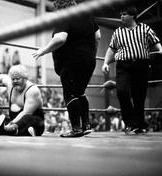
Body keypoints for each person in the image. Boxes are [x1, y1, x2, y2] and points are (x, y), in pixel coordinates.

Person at [32, 0, 100, 137]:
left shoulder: (65, 16)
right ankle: (86, 125)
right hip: (89, 61)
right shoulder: (86, 15)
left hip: (71, 63)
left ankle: (76, 129)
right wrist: (92, 54)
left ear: (59, 7)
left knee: (70, 94)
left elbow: (60, 38)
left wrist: (43, 50)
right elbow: (97, 36)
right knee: (80, 92)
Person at [102, 7, 162, 135]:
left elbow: (156, 42)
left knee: (139, 96)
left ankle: (139, 125)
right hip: (123, 65)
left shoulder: (144, 29)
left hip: (141, 65)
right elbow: (111, 49)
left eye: (124, 14)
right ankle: (130, 122)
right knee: (122, 91)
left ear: (133, 16)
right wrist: (105, 63)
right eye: (121, 14)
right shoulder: (118, 32)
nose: (121, 16)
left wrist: (160, 49)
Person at [0, 65, 45, 136]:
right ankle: (15, 130)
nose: (15, 81)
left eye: (18, 79)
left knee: (27, 118)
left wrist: (12, 123)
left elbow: (26, 112)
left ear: (25, 78)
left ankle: (7, 130)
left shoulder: (33, 90)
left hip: (35, 123)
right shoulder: (10, 84)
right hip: (15, 121)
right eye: (13, 79)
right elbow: (4, 77)